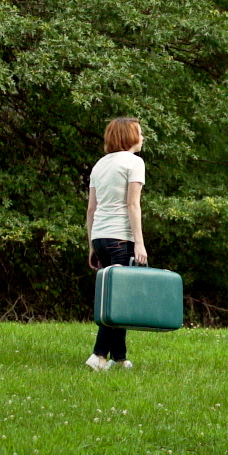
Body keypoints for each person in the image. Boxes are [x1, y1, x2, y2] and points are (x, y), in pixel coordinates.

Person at [83, 116, 147, 371]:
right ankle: (98, 356)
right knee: (119, 301)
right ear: (129, 136)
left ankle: (119, 358)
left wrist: (92, 245)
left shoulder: (100, 165)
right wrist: (139, 243)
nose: (142, 137)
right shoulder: (134, 162)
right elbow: (132, 204)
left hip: (100, 237)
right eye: (139, 132)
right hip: (121, 238)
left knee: (116, 298)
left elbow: (91, 209)